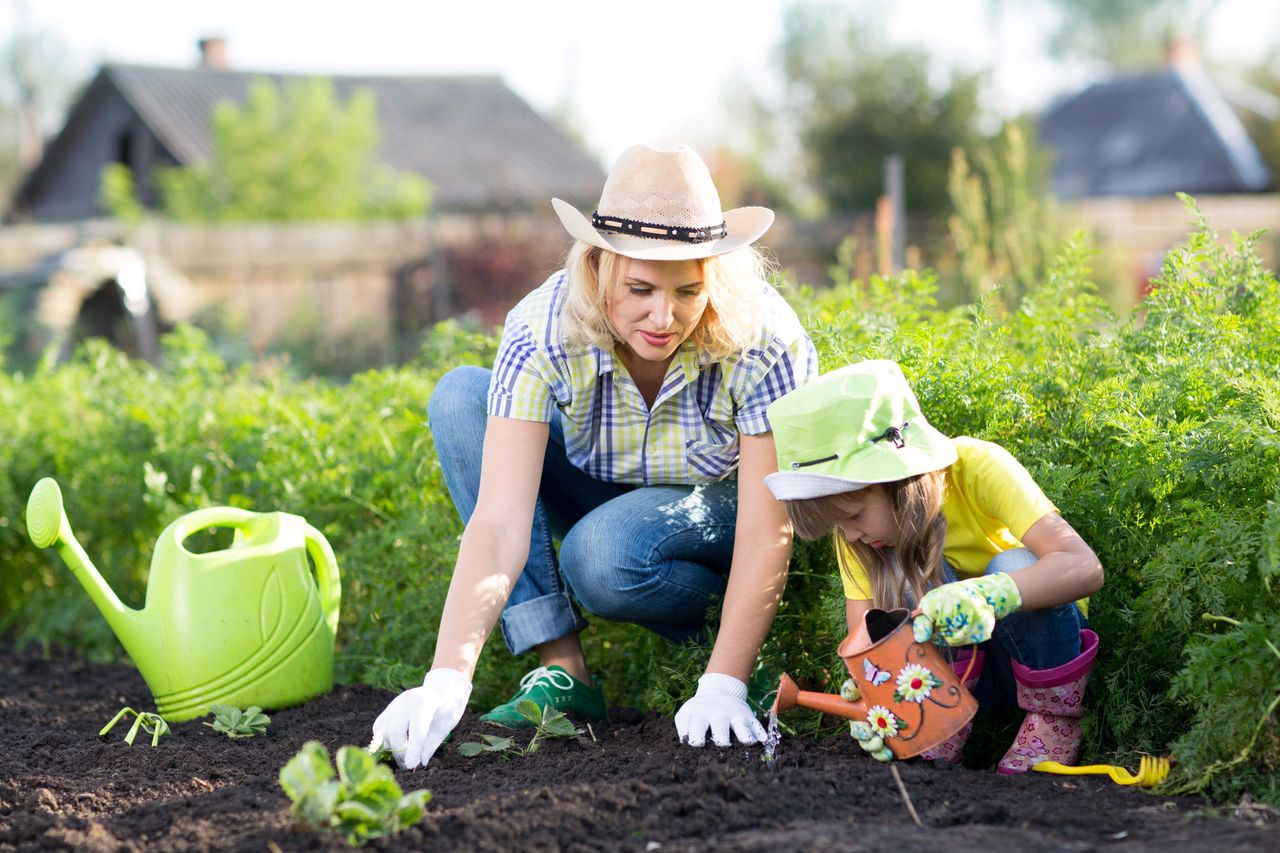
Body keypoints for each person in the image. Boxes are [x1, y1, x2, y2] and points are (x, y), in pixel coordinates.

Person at [369, 144, 818, 769]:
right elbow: (499, 523)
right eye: (639, 289)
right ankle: (565, 674)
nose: (664, 318)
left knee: (602, 556)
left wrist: (725, 682)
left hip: (717, 511)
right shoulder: (543, 330)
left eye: (688, 291)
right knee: (460, 397)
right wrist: (447, 677)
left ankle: (738, 650)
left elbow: (770, 526)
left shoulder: (761, 337)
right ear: (599, 265)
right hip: (598, 485)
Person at [762, 360, 1103, 773]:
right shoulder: (862, 538)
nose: (849, 535)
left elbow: (1083, 566)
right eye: (839, 524)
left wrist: (987, 593)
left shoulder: (976, 467)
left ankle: (1054, 722)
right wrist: (878, 697)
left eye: (853, 515)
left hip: (1033, 659)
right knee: (898, 568)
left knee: (1013, 562)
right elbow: (863, 639)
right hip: (949, 684)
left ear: (896, 478)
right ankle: (939, 727)